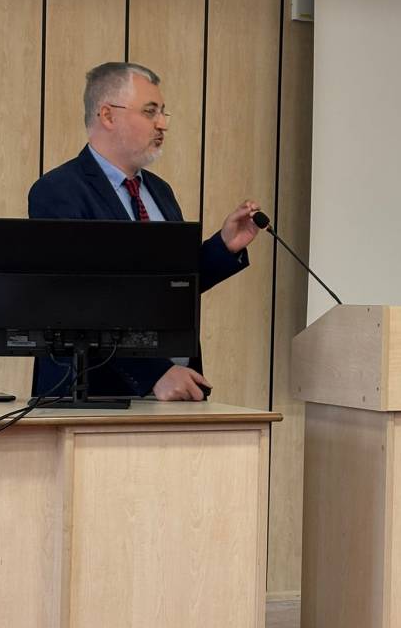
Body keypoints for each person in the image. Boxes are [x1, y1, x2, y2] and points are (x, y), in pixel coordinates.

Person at [28, 61, 259, 400]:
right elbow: (76, 302)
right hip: (93, 397)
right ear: (108, 115)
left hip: (176, 389)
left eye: (164, 113)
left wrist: (224, 247)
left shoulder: (160, 191)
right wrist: (154, 373)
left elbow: (170, 287)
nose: (163, 124)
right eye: (151, 112)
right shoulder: (59, 191)